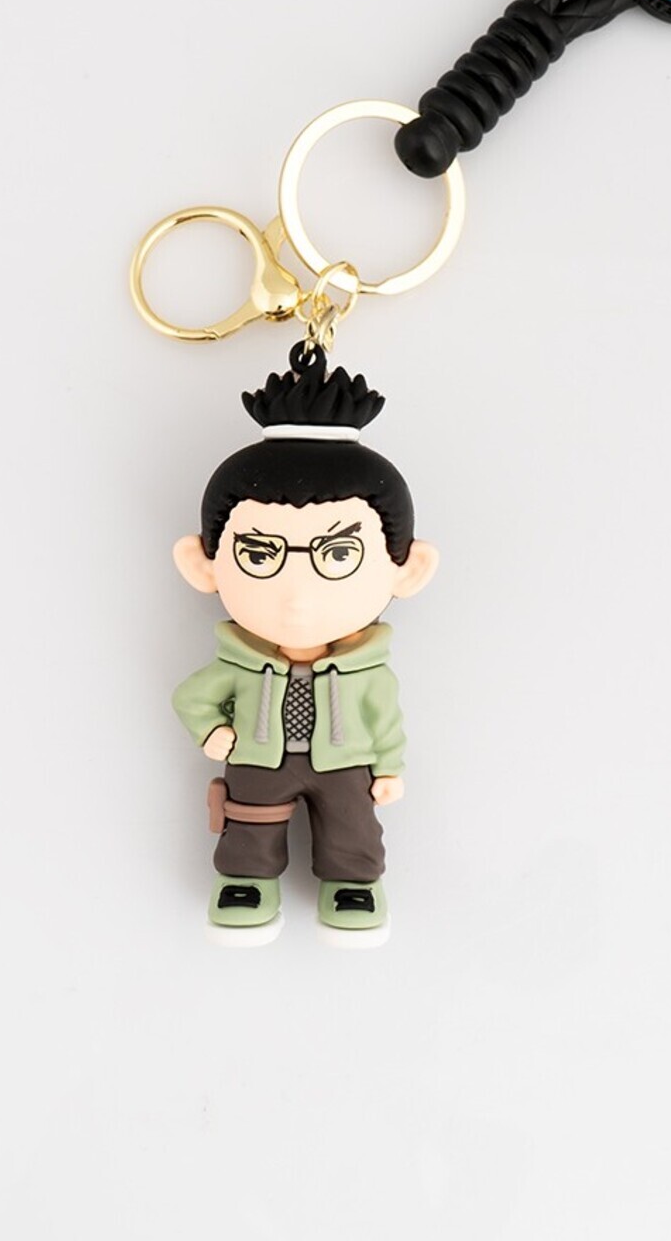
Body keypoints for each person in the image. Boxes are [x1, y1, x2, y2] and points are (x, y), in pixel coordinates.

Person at [171, 343, 438, 945]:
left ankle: (353, 883)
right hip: (258, 759)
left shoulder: (367, 671)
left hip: (344, 764)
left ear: (407, 570)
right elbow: (192, 697)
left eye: (338, 556)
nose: (297, 594)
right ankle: (245, 881)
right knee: (249, 822)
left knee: (352, 825)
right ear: (203, 565)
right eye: (260, 555)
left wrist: (389, 768)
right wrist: (212, 731)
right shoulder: (236, 663)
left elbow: (386, 720)